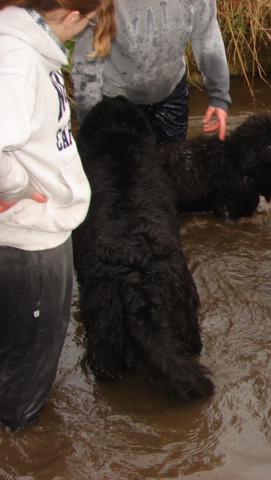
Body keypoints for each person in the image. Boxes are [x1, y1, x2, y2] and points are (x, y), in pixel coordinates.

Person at [0, 0, 115, 432]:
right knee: (27, 373)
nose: (84, 30)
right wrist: (14, 186)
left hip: (26, 233)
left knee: (12, 352)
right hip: (29, 239)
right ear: (69, 14)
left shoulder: (19, 46)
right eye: (86, 22)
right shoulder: (16, 57)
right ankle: (23, 449)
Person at [72, 0, 232, 144]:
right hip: (117, 99)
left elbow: (207, 36)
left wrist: (219, 96)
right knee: (125, 169)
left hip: (171, 91)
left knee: (172, 166)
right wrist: (90, 126)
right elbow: (87, 68)